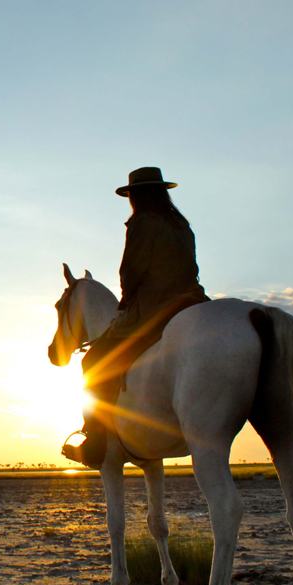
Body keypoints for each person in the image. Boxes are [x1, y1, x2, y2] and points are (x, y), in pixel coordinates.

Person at [61, 167, 209, 468]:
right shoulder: (181, 223)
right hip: (193, 301)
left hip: (156, 307)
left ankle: (95, 438)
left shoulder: (142, 221)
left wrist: (127, 299)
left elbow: (132, 269)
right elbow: (191, 267)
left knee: (94, 360)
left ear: (136, 196)